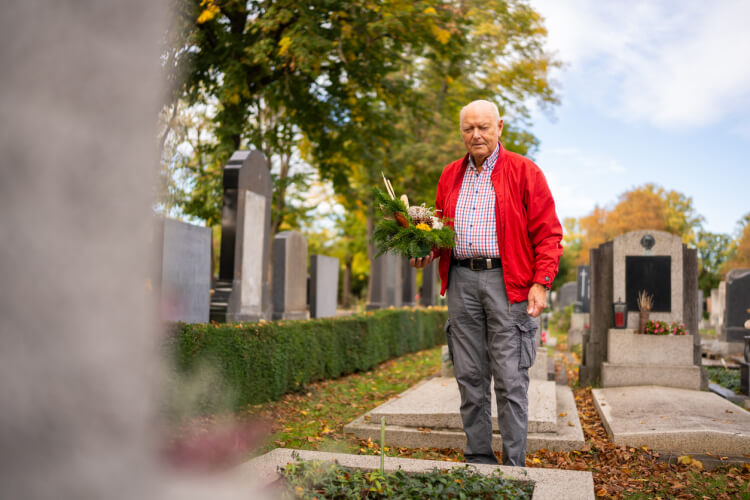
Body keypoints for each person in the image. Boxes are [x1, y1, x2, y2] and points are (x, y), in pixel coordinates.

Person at [410, 99, 562, 466]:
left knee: (510, 380)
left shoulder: (526, 172)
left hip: (507, 284)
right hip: (461, 281)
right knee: (469, 376)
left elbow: (549, 235)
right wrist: (426, 251)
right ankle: (479, 458)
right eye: (468, 129)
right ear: (461, 132)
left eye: (483, 127)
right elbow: (441, 230)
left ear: (499, 128)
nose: (476, 135)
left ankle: (513, 467)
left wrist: (541, 282)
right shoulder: (450, 175)